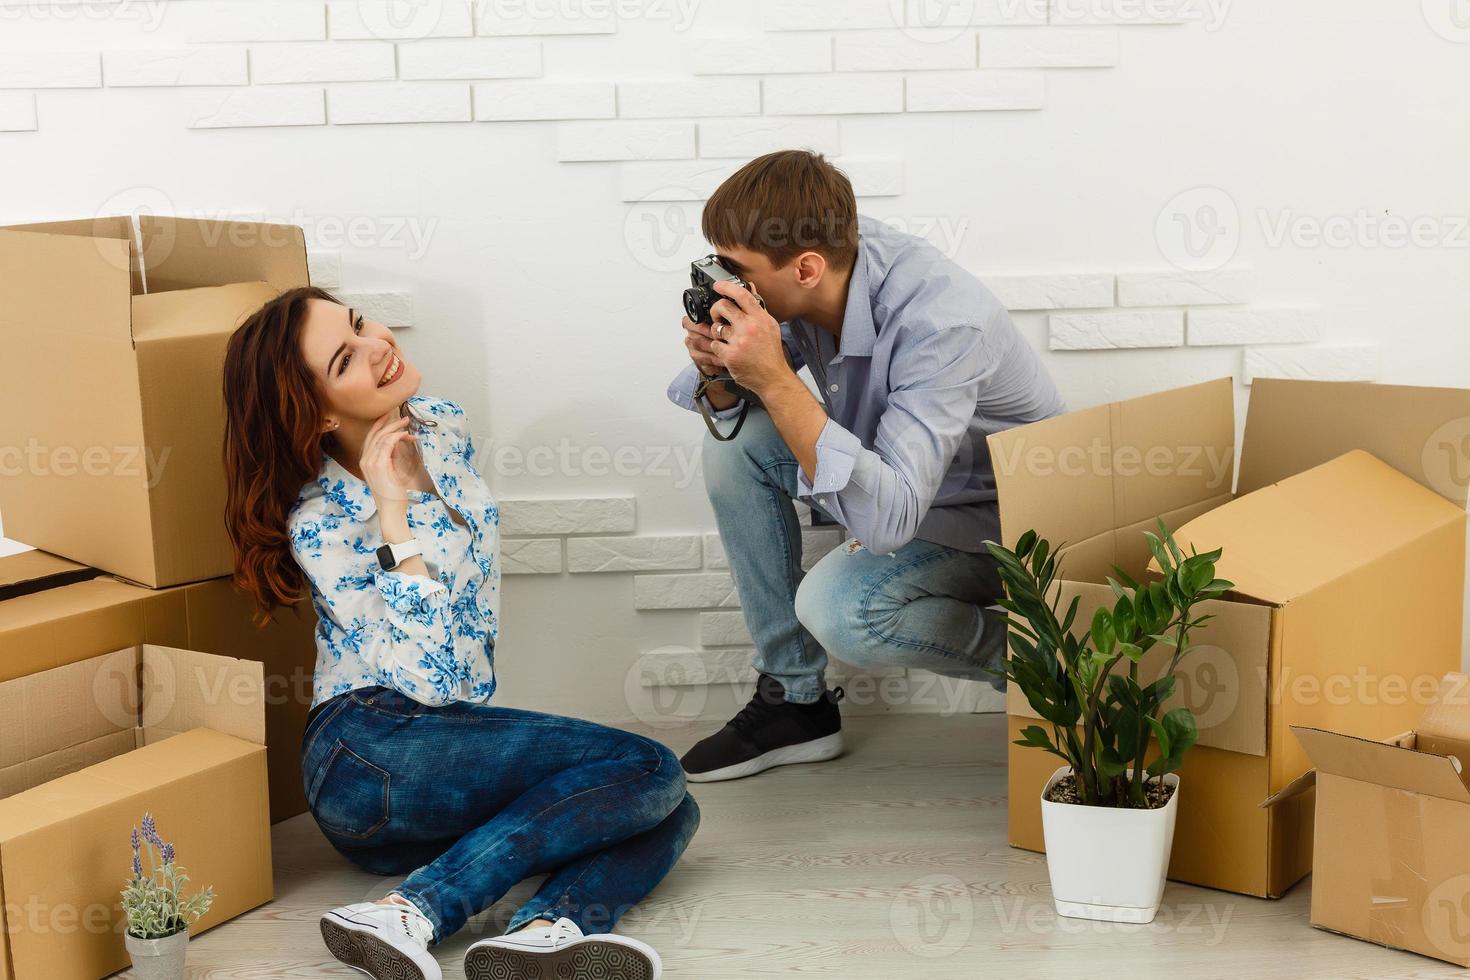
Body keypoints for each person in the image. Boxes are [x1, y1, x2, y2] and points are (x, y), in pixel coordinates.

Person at [222, 287, 698, 980]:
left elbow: (462, 679)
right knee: (651, 767)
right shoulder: (321, 523)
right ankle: (415, 909)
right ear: (320, 410)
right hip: (363, 755)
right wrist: (394, 514)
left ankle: (546, 933)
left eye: (359, 323)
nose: (378, 344)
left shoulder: (440, 425)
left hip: (437, 766)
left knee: (670, 810)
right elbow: (430, 682)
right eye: (346, 357)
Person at [668, 150, 1067, 784]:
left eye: (736, 273)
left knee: (840, 610)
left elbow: (889, 522)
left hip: (1005, 520)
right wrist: (719, 374)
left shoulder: (941, 323)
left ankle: (1052, 669)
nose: (724, 286)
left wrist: (772, 376)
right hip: (907, 483)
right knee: (736, 447)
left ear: (805, 268)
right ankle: (795, 703)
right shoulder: (824, 259)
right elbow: (734, 416)